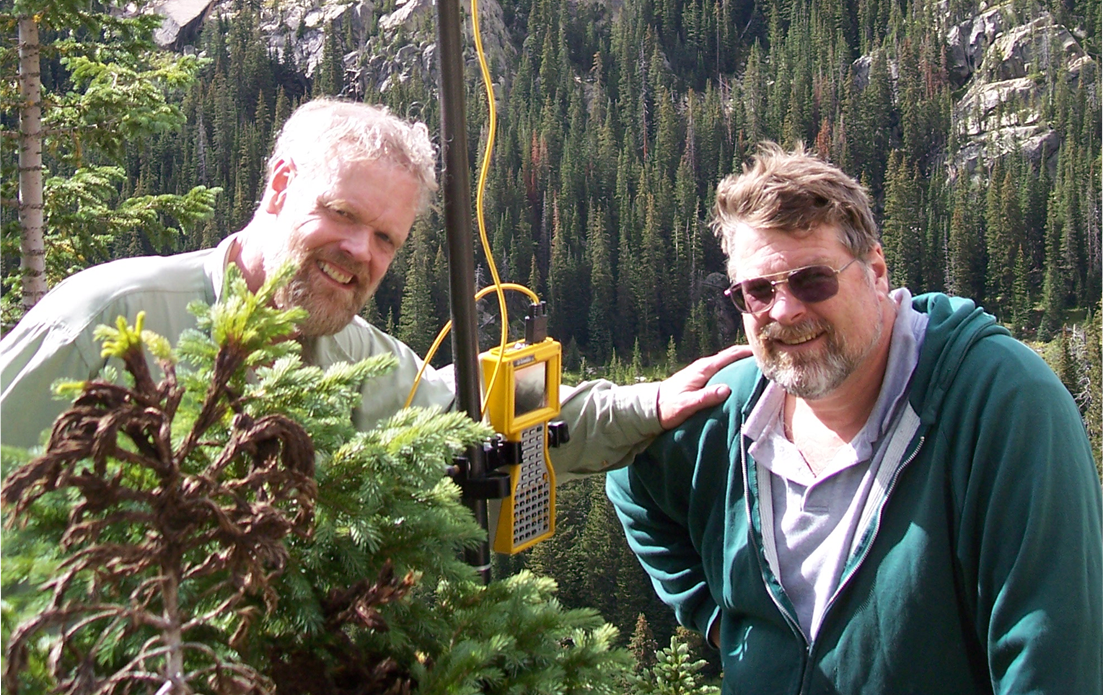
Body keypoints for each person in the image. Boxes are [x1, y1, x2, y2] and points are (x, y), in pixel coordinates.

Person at [0, 98, 745, 481]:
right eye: (342, 215)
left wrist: (647, 403)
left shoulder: (356, 359)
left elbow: (481, 412)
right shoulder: (106, 317)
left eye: (385, 238)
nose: (359, 251)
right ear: (280, 187)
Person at [606, 143, 1103, 693]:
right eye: (757, 291)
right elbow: (632, 480)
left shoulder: (1002, 404)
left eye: (812, 280)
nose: (785, 309)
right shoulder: (732, 407)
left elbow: (1052, 660)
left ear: (876, 271)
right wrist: (721, 620)